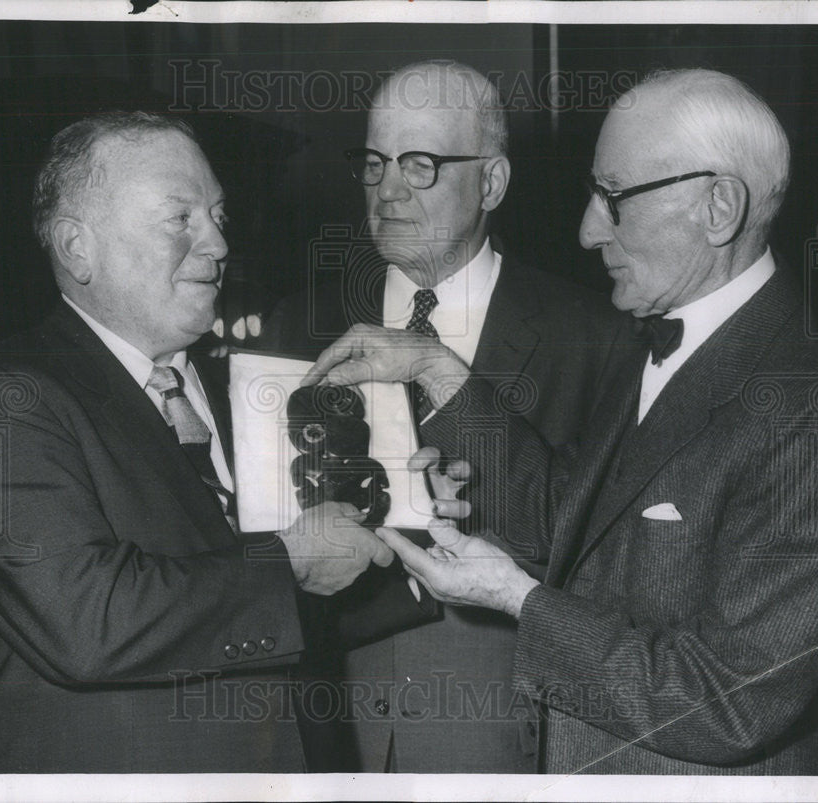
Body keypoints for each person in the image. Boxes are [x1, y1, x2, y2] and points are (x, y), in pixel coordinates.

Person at [304, 69, 818, 774]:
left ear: (718, 206)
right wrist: (435, 368)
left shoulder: (817, 407)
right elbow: (571, 521)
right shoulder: (654, 341)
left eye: (615, 198)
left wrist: (517, 597)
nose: (587, 229)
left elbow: (730, 699)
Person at [0, 111, 394, 773]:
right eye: (181, 218)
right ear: (77, 247)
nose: (220, 245)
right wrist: (290, 561)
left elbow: (287, 612)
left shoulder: (252, 389)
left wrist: (411, 529)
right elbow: (88, 620)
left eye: (219, 216)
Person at [260, 60, 623, 772]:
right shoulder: (295, 324)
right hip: (330, 740)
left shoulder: (596, 339)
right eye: (374, 163)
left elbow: (604, 562)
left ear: (491, 181)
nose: (388, 190)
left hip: (510, 747)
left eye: (420, 164)